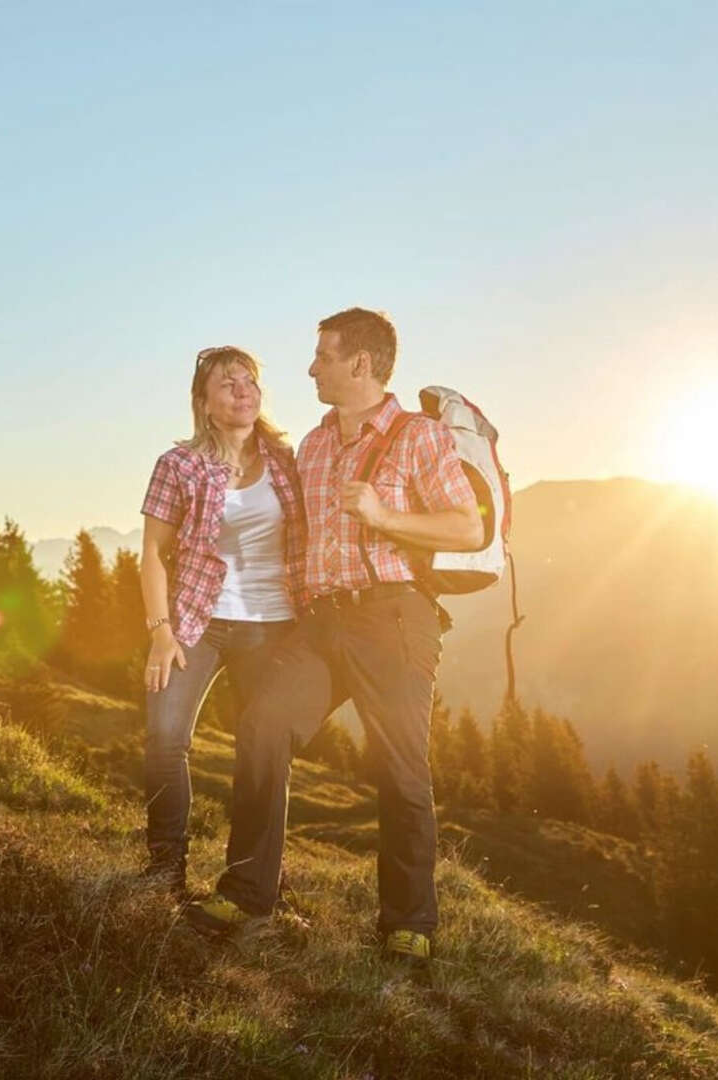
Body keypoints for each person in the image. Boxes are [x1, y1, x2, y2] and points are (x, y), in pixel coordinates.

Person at [186, 308, 482, 961]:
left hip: (393, 618)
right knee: (263, 724)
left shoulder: (418, 437)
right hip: (320, 623)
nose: (311, 366)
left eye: (322, 355)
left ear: (360, 363)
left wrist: (385, 514)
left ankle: (409, 923)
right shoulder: (315, 445)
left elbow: (466, 529)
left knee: (400, 768)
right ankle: (246, 893)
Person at [138, 346, 306, 897]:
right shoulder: (179, 464)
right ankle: (166, 867)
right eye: (227, 383)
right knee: (165, 738)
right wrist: (161, 631)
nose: (242, 390)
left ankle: (258, 880)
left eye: (249, 380)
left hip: (274, 624)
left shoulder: (288, 460)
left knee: (263, 752)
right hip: (196, 620)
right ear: (204, 403)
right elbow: (152, 554)